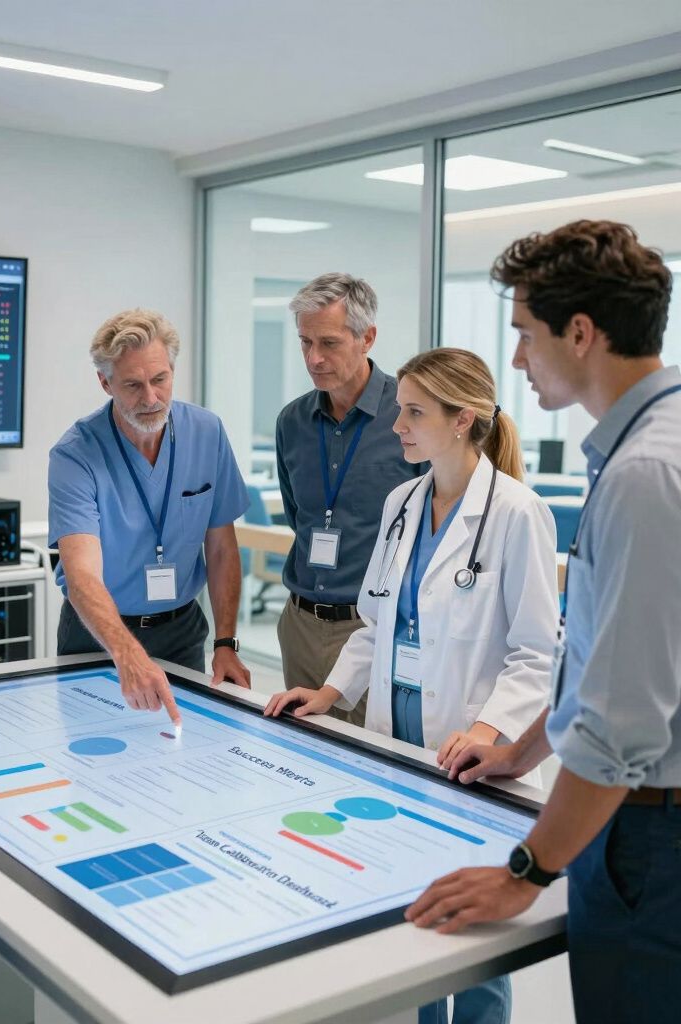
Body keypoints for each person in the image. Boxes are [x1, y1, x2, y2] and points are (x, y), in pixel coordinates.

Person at [406, 221, 680, 1024]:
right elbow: (604, 659)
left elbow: (623, 719)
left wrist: (525, 871)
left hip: (650, 842)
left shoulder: (644, 476)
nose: (518, 358)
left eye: (526, 334)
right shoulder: (649, 449)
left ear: (582, 333)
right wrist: (520, 750)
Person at [265, 347, 558, 1024]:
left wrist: (487, 734)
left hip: (475, 755)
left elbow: (537, 654)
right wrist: (331, 695)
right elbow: (374, 625)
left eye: (415, 412)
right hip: (399, 747)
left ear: (462, 421)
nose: (398, 424)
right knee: (417, 917)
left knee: (478, 940)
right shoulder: (403, 502)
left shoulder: (517, 513)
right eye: (401, 410)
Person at [48, 308, 251, 724]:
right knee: (96, 758)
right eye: (133, 386)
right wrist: (127, 655)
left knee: (184, 756)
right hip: (97, 636)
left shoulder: (206, 432)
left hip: (181, 633)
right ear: (105, 383)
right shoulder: (75, 454)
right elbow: (82, 574)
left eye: (159, 380)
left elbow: (221, 548)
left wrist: (226, 642)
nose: (151, 398)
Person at [275, 274, 418, 726]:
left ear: (367, 337)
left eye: (329, 343)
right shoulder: (292, 422)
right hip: (299, 624)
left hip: (371, 630)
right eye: (305, 342)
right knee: (300, 759)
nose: (314, 358)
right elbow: (298, 516)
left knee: (363, 767)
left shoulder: (410, 416)